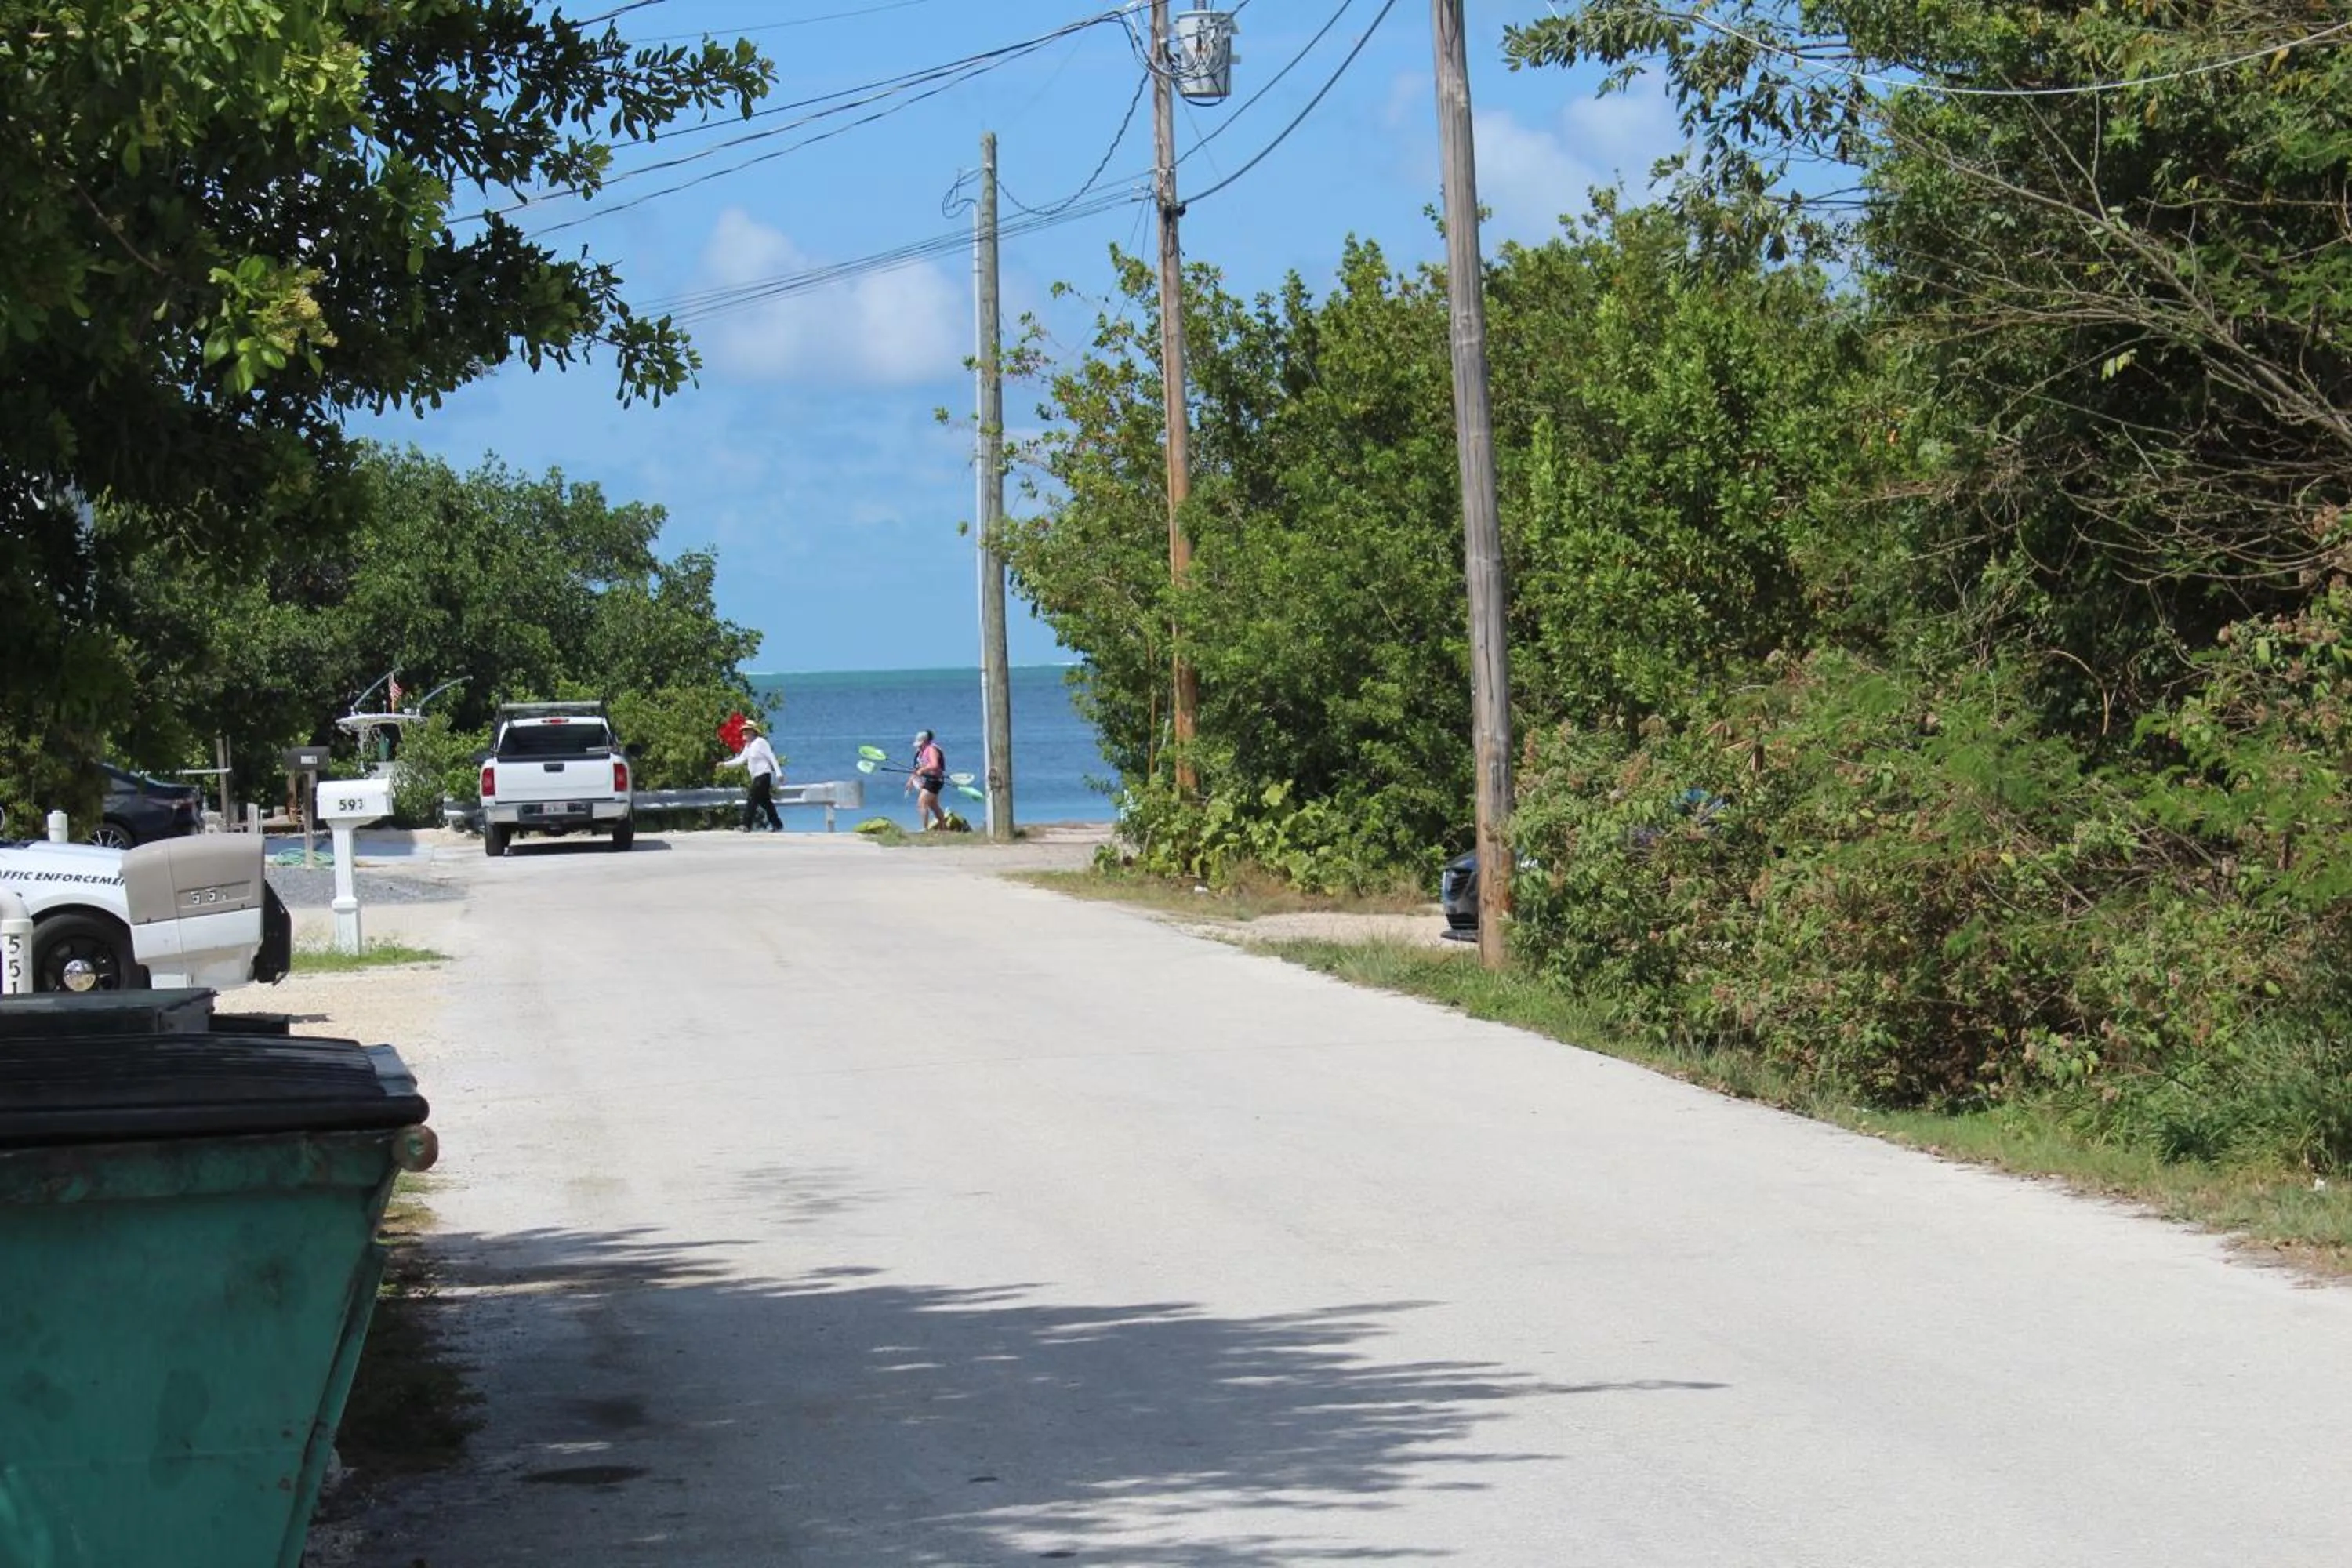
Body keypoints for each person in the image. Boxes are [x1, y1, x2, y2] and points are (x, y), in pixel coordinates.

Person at [718, 721, 785, 832]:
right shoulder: (748, 746)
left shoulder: (760, 742)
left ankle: (745, 825)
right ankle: (777, 824)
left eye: (747, 730)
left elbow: (771, 757)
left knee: (752, 798)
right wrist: (724, 765)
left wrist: (779, 773)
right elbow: (740, 760)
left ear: (753, 732)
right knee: (766, 802)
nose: (744, 732)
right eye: (743, 730)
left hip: (763, 775)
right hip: (756, 777)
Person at [907, 728, 947, 831]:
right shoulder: (920, 752)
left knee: (922, 803)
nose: (919, 746)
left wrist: (923, 770)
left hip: (935, 780)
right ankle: (944, 828)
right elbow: (917, 768)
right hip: (928, 780)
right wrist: (911, 780)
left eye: (920, 744)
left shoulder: (932, 749)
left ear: (926, 741)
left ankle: (924, 829)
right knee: (934, 805)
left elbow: (934, 765)